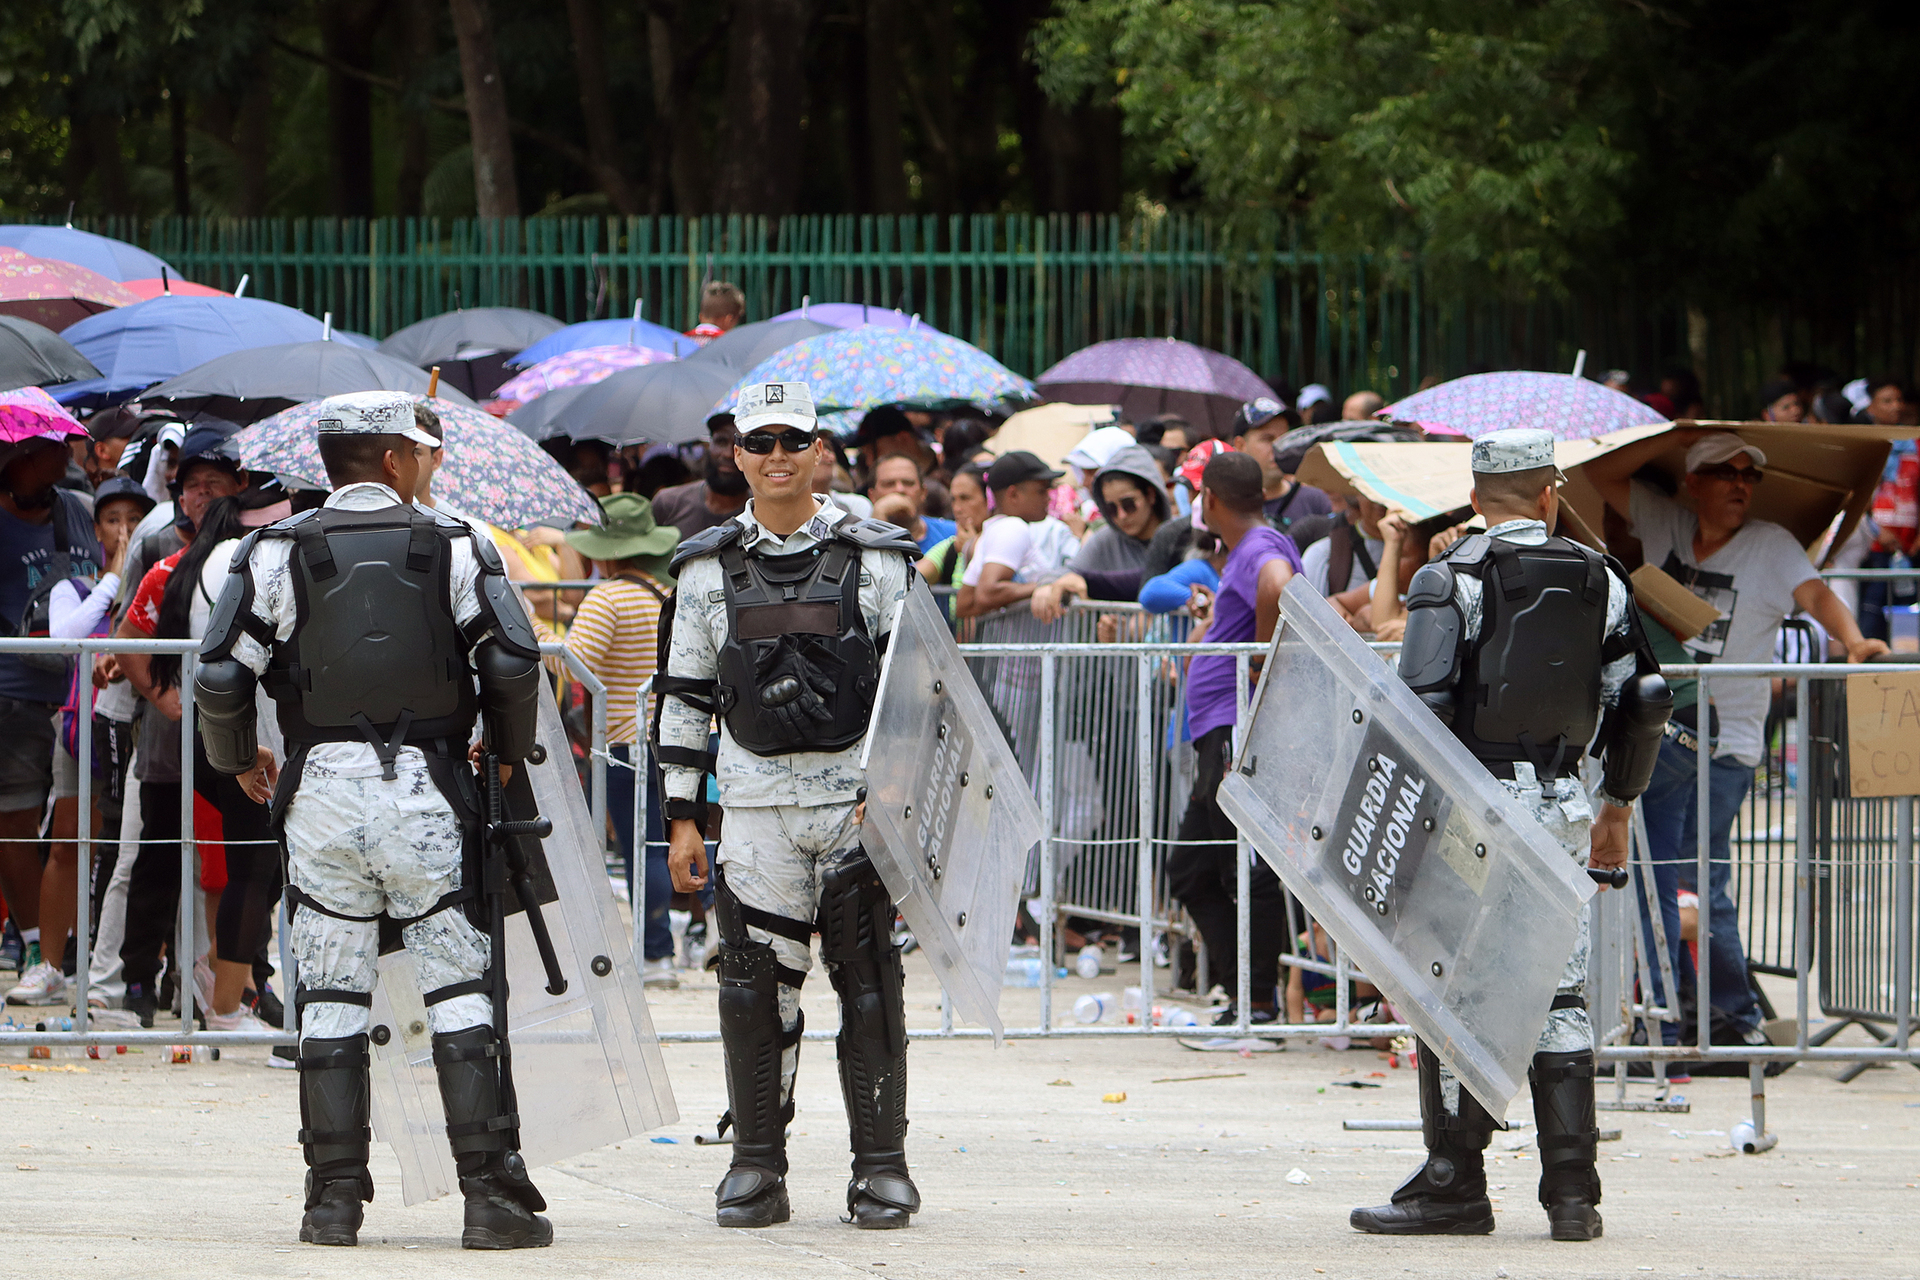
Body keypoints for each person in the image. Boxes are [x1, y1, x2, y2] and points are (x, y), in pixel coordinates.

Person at [193, 390, 552, 1249]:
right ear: (393, 460)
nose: (428, 462)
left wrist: (239, 759)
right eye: (420, 450)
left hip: (319, 792)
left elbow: (219, 675)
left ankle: (331, 1202)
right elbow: (510, 661)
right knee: (459, 989)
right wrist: (505, 755)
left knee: (328, 993)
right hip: (429, 789)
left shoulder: (272, 549)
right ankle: (488, 1200)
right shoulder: (457, 543)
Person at [1351, 428, 1672, 1242]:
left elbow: (1421, 708)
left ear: (1474, 495)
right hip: (1562, 806)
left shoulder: (1449, 577)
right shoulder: (1602, 577)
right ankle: (1573, 1196)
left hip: (1468, 807)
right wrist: (1617, 806)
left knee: (1451, 989)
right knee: (1560, 991)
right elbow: (1643, 697)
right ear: (1549, 494)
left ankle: (1453, 1183)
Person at [653, 381, 923, 1230]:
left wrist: (893, 802)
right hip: (755, 812)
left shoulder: (878, 561)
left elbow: (918, 695)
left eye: (793, 441)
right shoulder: (704, 569)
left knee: (870, 985)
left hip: (854, 810)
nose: (777, 457)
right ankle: (756, 1166)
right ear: (736, 455)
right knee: (753, 989)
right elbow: (685, 698)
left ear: (819, 452)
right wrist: (682, 820)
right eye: (760, 442)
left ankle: (881, 1169)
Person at [1582, 429, 1887, 1052]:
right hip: (1663, 734)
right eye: (1727, 472)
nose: (1741, 485)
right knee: (1672, 879)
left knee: (1689, 878)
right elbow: (1599, 475)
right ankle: (1707, 1012)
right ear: (1693, 482)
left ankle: (1711, 1013)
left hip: (1727, 744)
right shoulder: (1666, 521)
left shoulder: (1771, 545)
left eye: (1751, 475)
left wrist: (1855, 642)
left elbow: (1816, 594)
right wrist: (1674, 436)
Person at [1163, 451, 1301, 1026]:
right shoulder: (1247, 546)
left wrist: (1260, 658)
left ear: (1210, 500)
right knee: (1191, 872)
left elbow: (1278, 582)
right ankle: (1242, 994)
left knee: (1244, 868)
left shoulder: (1260, 547)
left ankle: (1258, 1003)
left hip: (1234, 728)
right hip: (1218, 728)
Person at [2, 474, 139, 1007]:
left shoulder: (158, 579)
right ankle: (50, 966)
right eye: (113, 519)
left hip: (139, 733)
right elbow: (67, 637)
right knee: (67, 843)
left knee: (131, 850)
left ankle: (125, 971)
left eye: (134, 519)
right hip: (80, 730)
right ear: (95, 530)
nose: (124, 530)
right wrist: (111, 580)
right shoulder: (71, 586)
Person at [562, 492, 680, 986]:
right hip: (675, 738)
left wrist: (533, 632)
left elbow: (574, 664)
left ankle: (655, 953)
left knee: (643, 849)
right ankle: (702, 937)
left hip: (627, 743)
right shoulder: (666, 591)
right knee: (676, 840)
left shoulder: (607, 598)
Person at [0, 431, 103, 987]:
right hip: (12, 691)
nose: (66, 451)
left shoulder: (77, 508)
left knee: (71, 828)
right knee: (14, 821)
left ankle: (66, 951)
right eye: (50, 445)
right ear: (16, 457)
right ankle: (38, 946)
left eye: (67, 442)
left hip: (85, 694)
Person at [1031, 445, 1170, 617]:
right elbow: (1069, 570)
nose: (1121, 515)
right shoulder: (1105, 540)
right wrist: (1047, 585)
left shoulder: (1177, 536)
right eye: (1111, 508)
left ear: (1150, 494)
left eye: (1128, 504)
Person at [954, 451, 1080, 620]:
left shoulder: (996, 528)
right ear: (1013, 494)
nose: (1048, 498)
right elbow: (987, 593)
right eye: (1041, 491)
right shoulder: (1012, 527)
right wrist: (1049, 585)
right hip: (1017, 637)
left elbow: (965, 604)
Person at [652, 415, 752, 538]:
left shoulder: (764, 514)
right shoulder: (668, 504)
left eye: (740, 445)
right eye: (721, 441)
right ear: (708, 445)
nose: (728, 454)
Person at [915, 463, 986, 590]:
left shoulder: (1007, 541)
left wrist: (972, 551)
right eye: (953, 499)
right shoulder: (951, 546)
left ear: (989, 499)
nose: (957, 509)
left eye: (965, 498)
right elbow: (909, 581)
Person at [867, 454, 953, 551]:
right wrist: (878, 516)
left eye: (908, 483)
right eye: (889, 484)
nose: (900, 489)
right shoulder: (857, 541)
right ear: (872, 496)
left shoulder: (953, 535)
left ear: (923, 493)